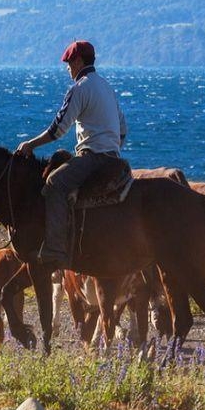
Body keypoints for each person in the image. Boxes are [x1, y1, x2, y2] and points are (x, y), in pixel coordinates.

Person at [14, 40, 128, 269]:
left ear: (78, 61)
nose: (67, 68)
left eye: (68, 62)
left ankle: (55, 250)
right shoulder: (106, 86)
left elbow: (58, 128)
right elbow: (123, 130)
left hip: (93, 157)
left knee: (55, 183)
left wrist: (31, 145)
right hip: (114, 157)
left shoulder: (80, 88)